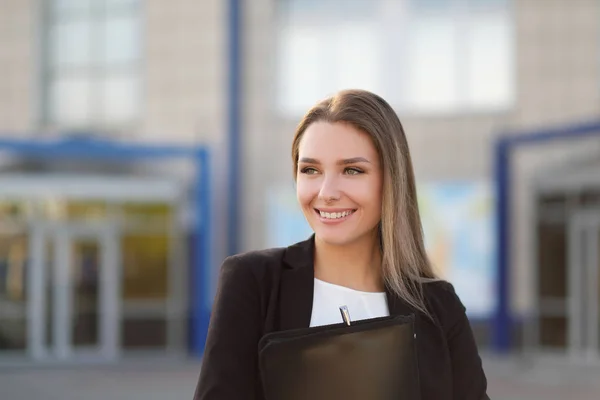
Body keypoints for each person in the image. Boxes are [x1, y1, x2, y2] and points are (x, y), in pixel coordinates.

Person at [193, 89, 489, 400]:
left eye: (352, 170)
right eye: (311, 170)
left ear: (391, 181)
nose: (326, 192)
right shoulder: (252, 282)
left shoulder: (439, 306)